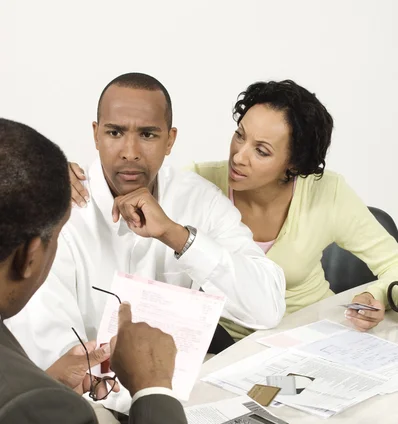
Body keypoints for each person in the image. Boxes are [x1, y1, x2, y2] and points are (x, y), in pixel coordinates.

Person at [0, 118, 219, 424]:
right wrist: (155, 389)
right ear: (31, 255)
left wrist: (42, 384)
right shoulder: (29, 416)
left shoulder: (30, 400)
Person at [7, 72, 286, 424]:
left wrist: (178, 236)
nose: (130, 151)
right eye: (114, 132)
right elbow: (61, 359)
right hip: (94, 405)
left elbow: (266, 308)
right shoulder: (61, 211)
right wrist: (156, 396)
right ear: (95, 134)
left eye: (148, 134)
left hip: (179, 396)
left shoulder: (197, 201)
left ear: (170, 140)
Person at [71, 79, 398, 340]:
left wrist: (377, 295)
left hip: (317, 330)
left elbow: (394, 264)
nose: (239, 156)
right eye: (239, 136)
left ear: (295, 163)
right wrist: (60, 172)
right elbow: (136, 187)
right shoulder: (199, 184)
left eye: (262, 150)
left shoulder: (327, 192)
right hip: (229, 346)